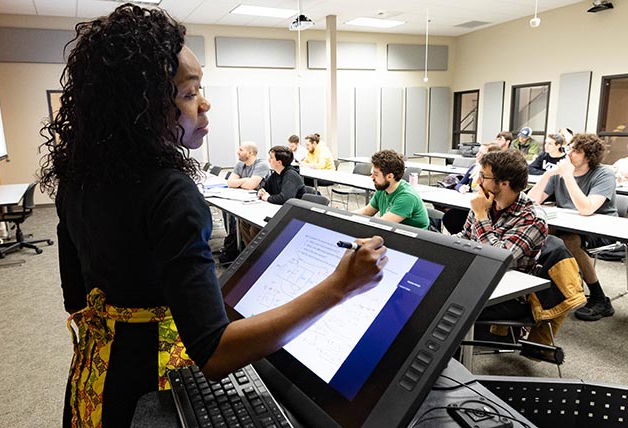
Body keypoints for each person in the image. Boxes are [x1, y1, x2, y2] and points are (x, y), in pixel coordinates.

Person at [37, 5, 389, 427]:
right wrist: (340, 286)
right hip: (153, 393)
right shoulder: (170, 192)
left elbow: (76, 299)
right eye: (188, 94)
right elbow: (214, 352)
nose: (205, 104)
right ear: (142, 107)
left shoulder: (77, 179)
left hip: (96, 382)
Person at [528, 133, 618, 321]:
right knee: (537, 232)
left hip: (601, 228)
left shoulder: (604, 174)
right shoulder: (561, 172)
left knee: (568, 241)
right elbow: (531, 202)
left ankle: (599, 298)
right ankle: (543, 289)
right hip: (568, 224)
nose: (569, 154)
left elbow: (586, 209)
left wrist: (567, 175)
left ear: (589, 156)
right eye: (569, 148)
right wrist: (547, 174)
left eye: (576, 151)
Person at [454, 150, 548, 326]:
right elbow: (464, 237)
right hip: (475, 277)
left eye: (483, 176)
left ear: (504, 183)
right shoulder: (485, 203)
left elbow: (498, 259)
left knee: (445, 309)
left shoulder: (532, 218)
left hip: (507, 294)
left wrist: (481, 216)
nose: (478, 181)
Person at [353, 150, 430, 229]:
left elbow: (381, 225)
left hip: (414, 240)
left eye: (376, 174)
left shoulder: (407, 197)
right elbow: (366, 211)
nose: (372, 177)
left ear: (390, 176)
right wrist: (343, 215)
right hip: (394, 234)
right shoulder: (383, 188)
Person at [220, 141, 270, 263]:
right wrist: (247, 179)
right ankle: (244, 249)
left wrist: (243, 182)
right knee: (229, 212)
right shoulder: (240, 164)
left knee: (249, 225)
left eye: (241, 149)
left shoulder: (262, 165)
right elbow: (230, 183)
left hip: (261, 203)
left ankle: (254, 255)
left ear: (250, 152)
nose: (238, 151)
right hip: (245, 200)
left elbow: (250, 186)